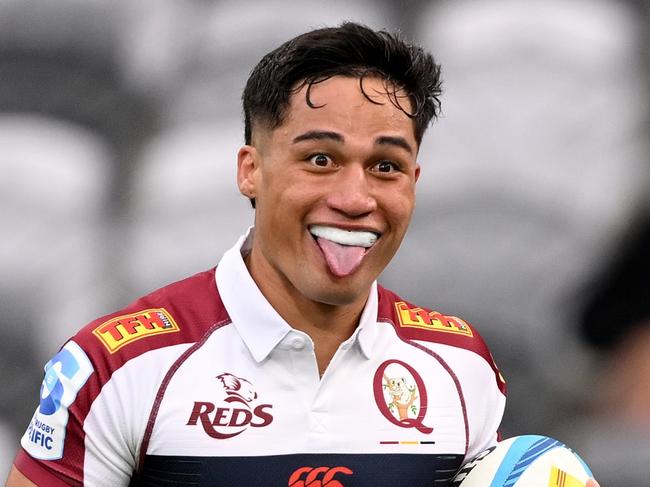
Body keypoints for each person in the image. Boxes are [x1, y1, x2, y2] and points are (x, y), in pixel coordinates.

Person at [4, 22, 596, 486]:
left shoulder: (460, 365)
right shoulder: (117, 366)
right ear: (250, 171)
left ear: (415, 181)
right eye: (320, 159)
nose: (355, 198)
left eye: (385, 166)